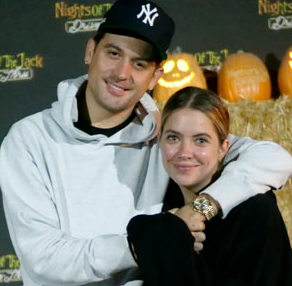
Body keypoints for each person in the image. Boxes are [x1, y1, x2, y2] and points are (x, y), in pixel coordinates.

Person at [0, 0, 291, 285]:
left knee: (257, 206)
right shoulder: (29, 140)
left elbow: (273, 160)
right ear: (90, 50)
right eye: (113, 53)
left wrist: (202, 207)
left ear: (155, 77)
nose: (122, 73)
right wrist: (145, 243)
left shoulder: (165, 137)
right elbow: (45, 258)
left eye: (139, 63)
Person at [127, 86, 292, 286]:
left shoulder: (255, 211)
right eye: (173, 138)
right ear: (159, 140)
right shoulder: (158, 207)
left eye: (201, 140)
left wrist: (190, 217)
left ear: (224, 148)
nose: (185, 152)